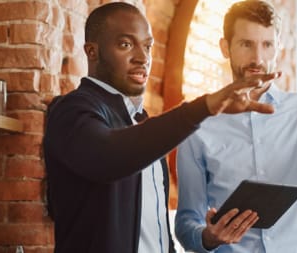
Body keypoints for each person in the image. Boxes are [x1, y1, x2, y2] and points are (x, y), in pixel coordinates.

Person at [42, 2, 281, 252]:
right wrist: (204, 107)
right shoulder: (70, 111)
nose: (142, 57)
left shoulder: (140, 121)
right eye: (125, 44)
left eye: (147, 47)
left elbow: (154, 229)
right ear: (92, 51)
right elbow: (108, 157)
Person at [174, 1, 297, 252]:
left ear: (278, 47)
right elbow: (185, 222)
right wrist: (208, 238)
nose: (257, 58)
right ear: (225, 48)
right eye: (246, 44)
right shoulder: (199, 125)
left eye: (267, 45)